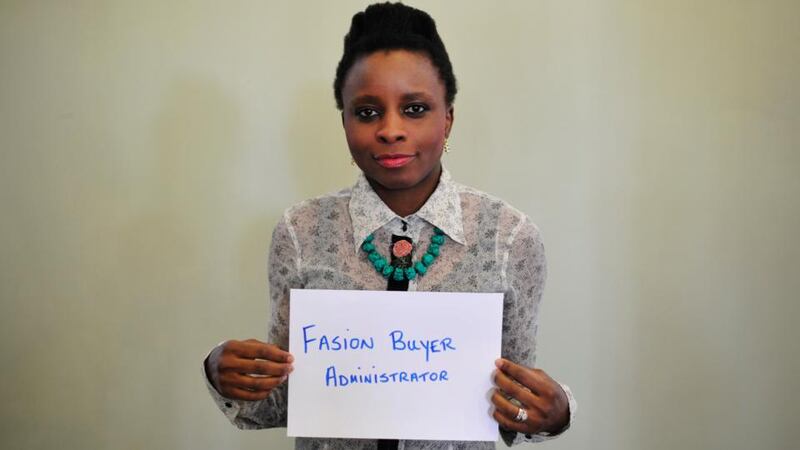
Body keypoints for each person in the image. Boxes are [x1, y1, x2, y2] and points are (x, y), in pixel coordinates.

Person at [203, 3, 576, 449]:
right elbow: (285, 401)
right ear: (344, 120)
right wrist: (224, 373)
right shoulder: (300, 231)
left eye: (415, 108)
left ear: (448, 118)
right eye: (367, 112)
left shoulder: (508, 238)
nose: (391, 130)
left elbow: (514, 409)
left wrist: (555, 413)